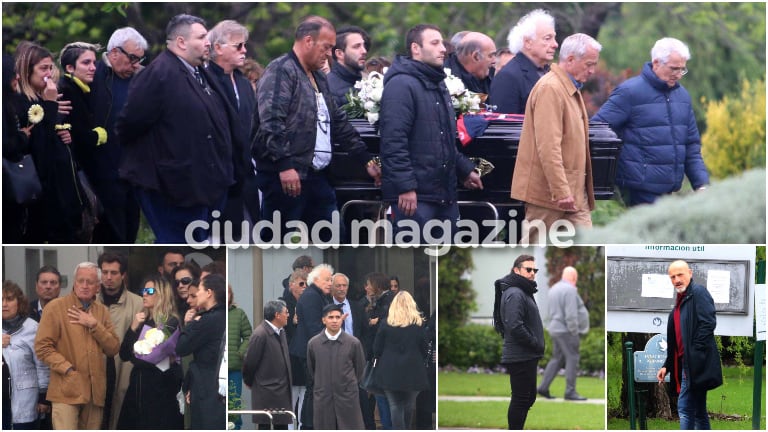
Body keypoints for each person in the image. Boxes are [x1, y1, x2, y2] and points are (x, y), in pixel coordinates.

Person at [252, 16, 380, 242]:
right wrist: (284, 165)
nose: (329, 54)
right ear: (308, 41)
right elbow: (271, 121)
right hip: (285, 175)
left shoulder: (319, 76)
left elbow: (338, 120)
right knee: (276, 242)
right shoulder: (281, 70)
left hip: (317, 175)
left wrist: (365, 159)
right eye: (326, 47)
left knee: (334, 239)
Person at [117, 14, 241, 243]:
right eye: (202, 37)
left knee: (194, 246)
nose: (208, 43)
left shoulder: (199, 71)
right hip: (172, 187)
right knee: (177, 246)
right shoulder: (159, 74)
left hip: (203, 184)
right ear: (181, 42)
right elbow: (128, 126)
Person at [379, 24, 483, 242]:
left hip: (443, 194)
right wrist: (405, 187)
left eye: (442, 43)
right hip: (415, 198)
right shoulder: (401, 84)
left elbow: (443, 139)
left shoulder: (437, 83)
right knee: (415, 262)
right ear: (416, 48)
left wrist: (464, 170)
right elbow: (393, 141)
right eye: (434, 43)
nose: (443, 49)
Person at [592, 38, 709, 206]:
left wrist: (702, 184)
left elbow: (691, 146)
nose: (678, 74)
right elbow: (597, 130)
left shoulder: (683, 96)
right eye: (674, 68)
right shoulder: (629, 92)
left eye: (682, 70)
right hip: (637, 193)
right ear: (656, 63)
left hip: (670, 192)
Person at [510, 33, 602, 243]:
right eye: (589, 64)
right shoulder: (551, 89)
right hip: (549, 194)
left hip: (572, 193)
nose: (592, 70)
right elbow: (548, 146)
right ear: (570, 59)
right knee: (533, 248)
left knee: (587, 246)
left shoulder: (566, 87)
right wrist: (561, 191)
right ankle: (519, 275)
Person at [13, 41, 86, 243]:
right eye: (43, 68)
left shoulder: (44, 97)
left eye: (50, 67)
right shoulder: (22, 102)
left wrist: (64, 136)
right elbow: (39, 147)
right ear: (27, 71)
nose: (48, 73)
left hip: (63, 187)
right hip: (40, 191)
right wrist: (50, 106)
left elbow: (52, 135)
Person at [34, 262, 120, 429]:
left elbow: (113, 348)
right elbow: (42, 347)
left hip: (95, 393)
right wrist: (67, 369)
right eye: (81, 281)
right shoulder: (55, 307)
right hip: (66, 390)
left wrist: (94, 325)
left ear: (98, 286)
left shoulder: (102, 311)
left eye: (90, 282)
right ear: (74, 282)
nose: (85, 286)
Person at [88, 27, 147, 243]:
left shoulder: (141, 78)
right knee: (111, 234)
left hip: (133, 171)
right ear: (114, 52)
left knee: (130, 229)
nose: (135, 64)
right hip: (102, 171)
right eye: (132, 58)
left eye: (139, 59)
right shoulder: (94, 76)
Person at [206, 20, 259, 235]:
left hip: (247, 176)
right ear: (218, 48)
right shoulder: (206, 81)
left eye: (245, 45)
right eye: (238, 46)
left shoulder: (244, 84)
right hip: (219, 179)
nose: (244, 50)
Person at [656, 260, 722, 430]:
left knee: (685, 408)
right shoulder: (678, 306)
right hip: (686, 364)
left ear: (690, 273)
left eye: (680, 274)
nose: (676, 279)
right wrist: (666, 366)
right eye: (672, 277)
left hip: (693, 364)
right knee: (699, 411)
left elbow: (708, 323)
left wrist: (694, 352)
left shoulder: (698, 293)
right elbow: (676, 342)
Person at [117, 276, 184, 429]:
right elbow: (124, 354)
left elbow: (147, 360)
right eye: (143, 291)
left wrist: (137, 356)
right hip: (138, 388)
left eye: (150, 291)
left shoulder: (170, 323)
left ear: (162, 293)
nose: (144, 294)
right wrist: (133, 327)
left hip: (160, 390)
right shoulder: (143, 320)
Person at [56, 41, 104, 244]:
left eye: (94, 62)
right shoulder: (66, 92)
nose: (93, 67)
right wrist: (98, 135)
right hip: (73, 173)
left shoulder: (82, 89)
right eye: (86, 62)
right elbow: (73, 134)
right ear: (69, 68)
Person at [492, 255, 545, 430]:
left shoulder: (522, 291)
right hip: (520, 355)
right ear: (516, 270)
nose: (532, 273)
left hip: (526, 354)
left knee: (528, 397)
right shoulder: (515, 293)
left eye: (534, 270)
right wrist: (534, 343)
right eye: (528, 269)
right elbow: (514, 325)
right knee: (521, 398)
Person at [96, 252, 143, 429]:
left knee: (118, 413)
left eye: (114, 273)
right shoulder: (89, 301)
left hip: (123, 369)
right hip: (95, 367)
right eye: (105, 272)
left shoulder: (137, 303)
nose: (108, 277)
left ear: (123, 275)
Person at [175, 273, 227, 430]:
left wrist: (189, 324)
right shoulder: (224, 314)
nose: (197, 294)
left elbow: (181, 347)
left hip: (207, 388)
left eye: (200, 290)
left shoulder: (207, 320)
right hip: (216, 385)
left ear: (209, 293)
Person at [373, 291, 429, 430]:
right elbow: (424, 348)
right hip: (413, 370)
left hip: (389, 371)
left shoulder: (385, 324)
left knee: (395, 405)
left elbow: (376, 349)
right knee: (409, 405)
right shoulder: (418, 325)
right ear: (412, 305)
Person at [307, 303, 366, 430]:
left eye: (338, 317)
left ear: (342, 319)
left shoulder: (353, 343)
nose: (334, 321)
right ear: (324, 320)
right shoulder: (314, 344)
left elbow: (359, 369)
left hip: (347, 397)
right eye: (331, 317)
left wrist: (348, 385)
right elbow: (312, 369)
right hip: (324, 396)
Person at [288, 263, 333, 429]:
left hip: (312, 350)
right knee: (313, 390)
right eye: (327, 280)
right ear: (315, 279)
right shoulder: (312, 296)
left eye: (331, 279)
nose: (330, 283)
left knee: (313, 390)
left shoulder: (318, 295)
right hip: (311, 351)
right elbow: (315, 328)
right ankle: (308, 426)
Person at [490, 9, 558, 114]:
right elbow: (504, 126)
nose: (555, 44)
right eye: (547, 38)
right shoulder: (508, 77)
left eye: (554, 38)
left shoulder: (550, 72)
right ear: (527, 42)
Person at [2, 280, 50, 429]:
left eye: (9, 299)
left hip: (25, 401)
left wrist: (43, 398)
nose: (4, 304)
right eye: (0, 300)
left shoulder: (32, 328)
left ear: (19, 302)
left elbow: (42, 365)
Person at [537, 266, 589, 401]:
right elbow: (571, 315)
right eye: (576, 278)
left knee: (557, 358)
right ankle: (570, 392)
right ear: (573, 277)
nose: (576, 281)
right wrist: (574, 331)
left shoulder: (554, 289)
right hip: (566, 330)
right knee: (572, 358)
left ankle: (543, 387)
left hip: (555, 328)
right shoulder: (570, 290)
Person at [333, 272, 375, 430]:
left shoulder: (356, 306)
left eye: (344, 286)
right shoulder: (326, 307)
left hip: (355, 358)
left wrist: (362, 351)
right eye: (338, 285)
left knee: (360, 395)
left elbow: (366, 331)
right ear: (332, 287)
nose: (342, 289)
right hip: (334, 359)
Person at [242, 300, 293, 429]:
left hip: (281, 389)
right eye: (286, 312)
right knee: (266, 425)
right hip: (267, 390)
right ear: (277, 315)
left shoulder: (281, 331)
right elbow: (250, 362)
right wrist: (249, 381)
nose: (288, 315)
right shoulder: (260, 334)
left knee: (281, 425)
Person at [363, 272, 395, 429]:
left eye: (369, 284)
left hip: (381, 358)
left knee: (382, 396)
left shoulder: (388, 301)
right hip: (380, 356)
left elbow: (389, 324)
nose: (367, 287)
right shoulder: (379, 300)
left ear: (376, 285)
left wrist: (377, 321)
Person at [278, 268, 308, 425]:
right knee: (291, 395)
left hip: (305, 355)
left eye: (307, 284)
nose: (304, 287)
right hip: (289, 356)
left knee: (305, 393)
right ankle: (289, 427)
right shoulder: (282, 304)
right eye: (301, 284)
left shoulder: (309, 303)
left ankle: (302, 426)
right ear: (291, 285)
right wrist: (292, 321)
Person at [227, 285, 252, 430]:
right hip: (215, 368)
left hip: (234, 367)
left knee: (234, 403)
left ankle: (235, 428)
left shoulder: (239, 313)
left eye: (228, 293)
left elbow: (249, 336)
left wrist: (240, 352)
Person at [327, 25, 370, 107]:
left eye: (364, 46)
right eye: (356, 46)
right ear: (339, 54)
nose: (364, 51)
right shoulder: (327, 88)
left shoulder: (369, 83)